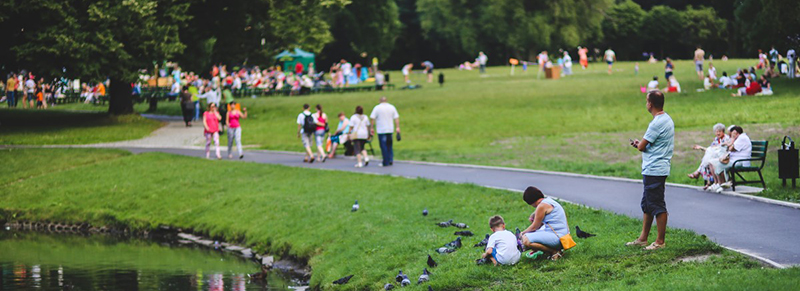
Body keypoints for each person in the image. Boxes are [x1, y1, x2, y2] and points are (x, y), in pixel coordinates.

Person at [628, 90, 673, 250]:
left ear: (650, 104)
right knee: (647, 203)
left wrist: (637, 144)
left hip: (655, 168)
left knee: (657, 204)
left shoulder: (656, 123)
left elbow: (641, 147)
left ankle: (660, 241)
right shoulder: (667, 119)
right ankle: (643, 238)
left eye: (646, 101)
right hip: (656, 167)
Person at [519, 186, 571, 260]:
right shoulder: (549, 201)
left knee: (526, 239)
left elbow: (534, 227)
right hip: (564, 237)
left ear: (530, 202)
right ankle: (548, 251)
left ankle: (554, 251)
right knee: (531, 235)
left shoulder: (541, 206)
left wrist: (522, 233)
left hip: (558, 238)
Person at [688, 123, 730, 188]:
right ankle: (708, 181)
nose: (718, 133)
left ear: (723, 131)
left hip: (723, 157)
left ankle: (700, 175)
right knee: (708, 160)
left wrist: (702, 148)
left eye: (719, 131)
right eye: (716, 132)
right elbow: (710, 149)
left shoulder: (726, 139)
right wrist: (701, 148)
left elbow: (723, 150)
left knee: (707, 160)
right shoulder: (716, 139)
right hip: (715, 156)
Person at [370, 96, 400, 167]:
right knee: (389, 145)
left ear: (380, 101)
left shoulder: (377, 108)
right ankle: (390, 159)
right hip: (390, 129)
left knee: (383, 146)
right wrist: (397, 127)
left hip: (381, 130)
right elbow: (396, 118)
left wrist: (371, 128)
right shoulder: (392, 107)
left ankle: (385, 161)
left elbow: (372, 118)